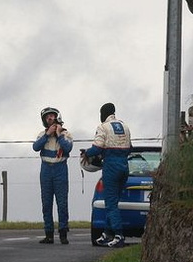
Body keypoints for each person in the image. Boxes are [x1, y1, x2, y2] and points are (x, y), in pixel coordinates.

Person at [82, 102, 131, 248]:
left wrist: (86, 153)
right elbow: (130, 147)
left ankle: (118, 235)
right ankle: (106, 233)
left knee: (110, 203)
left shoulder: (103, 127)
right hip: (124, 166)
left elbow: (97, 147)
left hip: (111, 166)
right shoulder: (125, 126)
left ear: (103, 114)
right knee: (114, 201)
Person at [32, 107, 74, 244]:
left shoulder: (66, 134)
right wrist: (47, 135)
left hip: (60, 168)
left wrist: (58, 134)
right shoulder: (42, 134)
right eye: (47, 117)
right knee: (46, 203)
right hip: (46, 169)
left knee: (62, 202)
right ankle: (48, 234)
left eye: (52, 116)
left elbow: (67, 148)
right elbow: (35, 147)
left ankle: (63, 233)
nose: (50, 119)